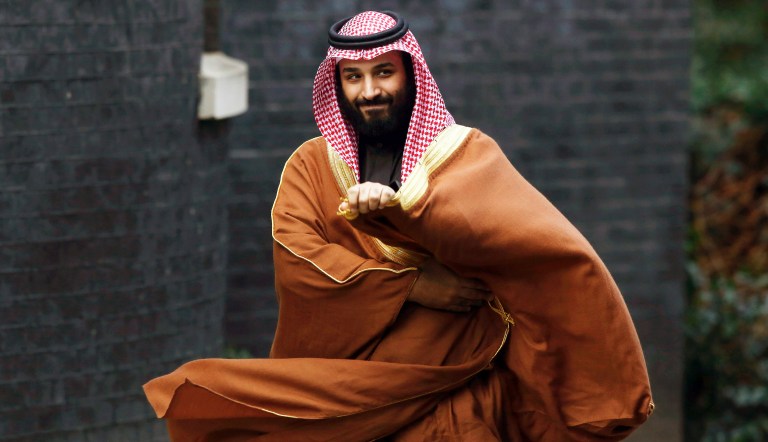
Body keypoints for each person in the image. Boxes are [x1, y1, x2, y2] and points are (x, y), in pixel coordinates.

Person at [144, 11, 653, 441]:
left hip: (459, 388)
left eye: (383, 73)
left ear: (410, 73)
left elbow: (527, 247)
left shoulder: (466, 155)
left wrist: (403, 218)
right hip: (354, 385)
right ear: (337, 84)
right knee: (209, 390)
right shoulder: (311, 166)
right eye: (353, 77)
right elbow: (297, 255)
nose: (370, 91)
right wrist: (412, 284)